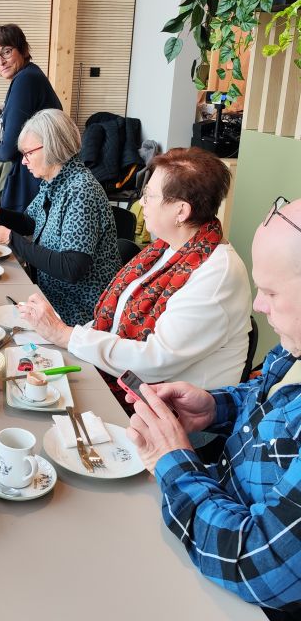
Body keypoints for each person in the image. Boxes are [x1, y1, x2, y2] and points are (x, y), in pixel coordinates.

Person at [123, 197, 301, 617]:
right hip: (208, 517)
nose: (259, 304)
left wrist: (174, 461)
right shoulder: (294, 348)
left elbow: (256, 565)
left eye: (273, 291)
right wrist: (214, 407)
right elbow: (268, 399)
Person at [18, 147, 252, 395]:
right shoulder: (169, 246)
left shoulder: (216, 274)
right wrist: (61, 335)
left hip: (167, 410)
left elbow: (154, 362)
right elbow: (114, 321)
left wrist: (66, 335)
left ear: (181, 211)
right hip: (126, 380)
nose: (142, 203)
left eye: (149, 196)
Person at [0, 109, 121, 326]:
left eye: (28, 153)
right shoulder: (55, 181)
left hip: (78, 312)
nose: (24, 162)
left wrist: (9, 238)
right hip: (49, 297)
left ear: (52, 148)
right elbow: (31, 222)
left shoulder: (81, 190)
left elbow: (71, 268)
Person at [0, 24, 62, 212]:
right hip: (36, 174)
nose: (0, 61)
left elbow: (8, 149)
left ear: (24, 50)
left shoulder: (26, 81)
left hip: (36, 178)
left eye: (6, 52)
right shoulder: (27, 76)